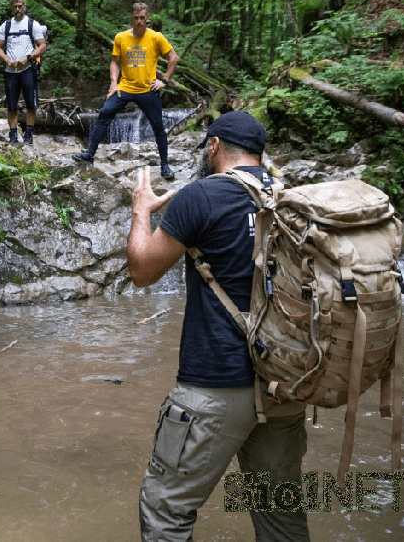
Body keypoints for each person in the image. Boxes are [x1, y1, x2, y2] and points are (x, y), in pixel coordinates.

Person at [127, 111, 309, 542]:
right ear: (259, 154)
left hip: (215, 387)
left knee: (165, 510)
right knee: (280, 516)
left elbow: (142, 270)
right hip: (285, 385)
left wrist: (141, 211)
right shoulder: (294, 201)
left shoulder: (201, 196)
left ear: (213, 147)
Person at [73, 2, 179, 179]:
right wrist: (113, 83)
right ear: (132, 18)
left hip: (148, 89)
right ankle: (89, 155)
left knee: (158, 127)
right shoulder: (121, 37)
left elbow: (173, 57)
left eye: (142, 18)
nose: (139, 21)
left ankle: (165, 166)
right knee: (104, 113)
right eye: (136, 18)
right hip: (125, 87)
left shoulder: (156, 37)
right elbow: (115, 61)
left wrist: (165, 81)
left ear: (147, 19)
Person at [0, 0, 47, 145]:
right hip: (11, 72)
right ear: (11, 8)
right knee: (11, 105)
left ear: (24, 6)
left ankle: (29, 134)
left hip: (28, 70)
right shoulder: (6, 26)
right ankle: (12, 135)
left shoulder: (32, 24)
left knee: (31, 104)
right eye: (15, 6)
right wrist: (6, 60)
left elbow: (42, 46)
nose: (18, 9)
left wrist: (28, 57)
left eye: (20, 6)